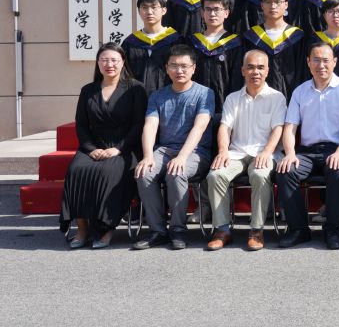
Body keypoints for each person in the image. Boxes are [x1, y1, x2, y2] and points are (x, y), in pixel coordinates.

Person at [61, 43, 147, 249]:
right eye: (104, 60)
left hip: (126, 147)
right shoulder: (88, 90)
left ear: (123, 62)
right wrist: (91, 148)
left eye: (114, 60)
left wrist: (118, 148)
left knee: (109, 172)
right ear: (98, 63)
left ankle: (106, 229)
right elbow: (81, 125)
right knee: (76, 170)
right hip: (94, 146)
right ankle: (82, 230)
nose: (109, 64)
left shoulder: (136, 88)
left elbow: (138, 125)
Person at [275, 42, 339, 249]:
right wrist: (290, 153)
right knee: (286, 170)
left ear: (334, 62)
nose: (321, 65)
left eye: (325, 60)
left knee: (338, 169)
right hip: (307, 152)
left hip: (336, 149)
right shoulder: (300, 91)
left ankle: (333, 229)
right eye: (316, 60)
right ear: (308, 62)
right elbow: (290, 127)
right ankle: (298, 229)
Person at [132, 44, 215, 250]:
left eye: (184, 66)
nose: (179, 70)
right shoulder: (157, 96)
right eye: (174, 66)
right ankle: (157, 231)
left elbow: (200, 126)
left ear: (193, 68)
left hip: (196, 152)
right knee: (144, 172)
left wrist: (182, 157)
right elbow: (150, 126)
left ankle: (178, 229)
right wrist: (148, 156)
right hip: (165, 149)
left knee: (176, 172)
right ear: (166, 68)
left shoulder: (205, 93)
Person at [205, 50, 286, 252]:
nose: (255, 72)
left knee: (260, 174)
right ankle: (222, 230)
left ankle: (256, 230)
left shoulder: (277, 98)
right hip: (236, 152)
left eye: (260, 67)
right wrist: (222, 151)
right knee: (215, 175)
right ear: (242, 70)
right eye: (250, 67)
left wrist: (267, 152)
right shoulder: (233, 98)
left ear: (267, 71)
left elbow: (278, 129)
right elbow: (225, 127)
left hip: (265, 153)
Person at [189, 0, 244, 114]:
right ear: (202, 12)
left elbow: (237, 78)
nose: (212, 14)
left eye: (217, 9)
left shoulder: (235, 43)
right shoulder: (193, 42)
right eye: (208, 9)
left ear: (226, 13)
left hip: (226, 105)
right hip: (195, 105)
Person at [122, 0, 180, 94]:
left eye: (154, 7)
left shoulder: (176, 40)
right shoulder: (130, 42)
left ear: (164, 10)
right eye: (144, 7)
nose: (149, 12)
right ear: (139, 11)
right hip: (136, 97)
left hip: (169, 96)